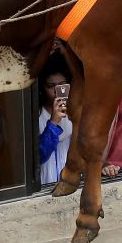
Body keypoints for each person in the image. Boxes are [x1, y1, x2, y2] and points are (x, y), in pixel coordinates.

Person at [38, 54, 73, 184]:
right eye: (51, 86)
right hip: (45, 183)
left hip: (71, 182)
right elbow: (38, 156)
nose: (57, 91)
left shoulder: (76, 113)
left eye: (62, 85)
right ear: (42, 88)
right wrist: (53, 123)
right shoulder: (36, 115)